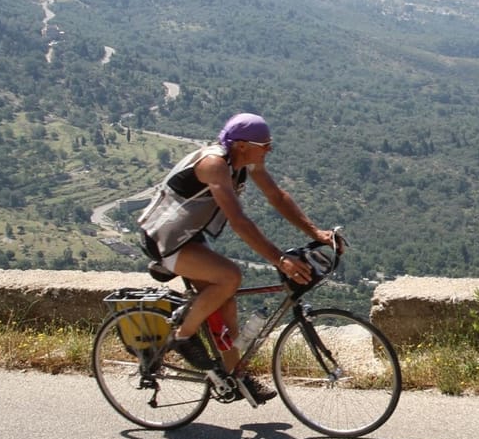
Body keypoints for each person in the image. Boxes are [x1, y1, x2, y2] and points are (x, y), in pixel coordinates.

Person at [136, 112, 337, 404]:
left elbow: (276, 196)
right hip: (163, 238)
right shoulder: (214, 164)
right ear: (242, 145)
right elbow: (239, 221)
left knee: (225, 302)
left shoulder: (245, 160)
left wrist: (316, 232)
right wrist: (280, 260)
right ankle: (182, 336)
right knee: (229, 277)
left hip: (188, 235)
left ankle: (234, 376)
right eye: (264, 144)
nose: (269, 150)